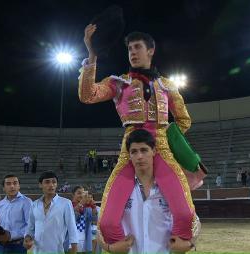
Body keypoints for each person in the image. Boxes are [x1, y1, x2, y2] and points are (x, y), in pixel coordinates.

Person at [79, 25, 204, 244]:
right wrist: (92, 54)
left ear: (151, 50)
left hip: (161, 147)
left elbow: (184, 119)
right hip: (130, 149)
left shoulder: (168, 85)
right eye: (129, 49)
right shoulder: (118, 83)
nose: (133, 53)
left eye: (137, 47)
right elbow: (88, 95)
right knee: (107, 223)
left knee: (185, 215)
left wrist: (169, 137)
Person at [97, 129, 198, 253]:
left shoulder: (171, 187)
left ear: (154, 151)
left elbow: (194, 221)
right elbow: (100, 228)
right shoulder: (119, 190)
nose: (139, 156)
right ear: (129, 155)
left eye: (144, 150)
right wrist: (109, 248)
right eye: (134, 152)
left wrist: (190, 243)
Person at [24, 171, 78, 254]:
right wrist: (27, 239)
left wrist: (74, 250)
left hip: (58, 250)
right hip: (37, 251)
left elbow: (72, 228)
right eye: (47, 182)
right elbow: (30, 228)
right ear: (40, 184)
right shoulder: (34, 205)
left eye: (54, 182)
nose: (51, 185)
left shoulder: (65, 203)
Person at [0, 174, 32, 254]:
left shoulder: (26, 202)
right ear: (4, 188)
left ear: (19, 186)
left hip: (18, 246)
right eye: (8, 184)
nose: (12, 186)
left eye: (15, 183)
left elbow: (30, 225)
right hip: (1, 246)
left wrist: (11, 235)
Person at [72, 186, 97, 253]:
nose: (81, 195)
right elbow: (73, 218)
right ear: (73, 194)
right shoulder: (68, 204)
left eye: (83, 193)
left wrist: (93, 206)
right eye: (79, 193)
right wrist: (82, 203)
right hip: (71, 239)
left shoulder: (87, 207)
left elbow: (94, 220)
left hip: (85, 238)